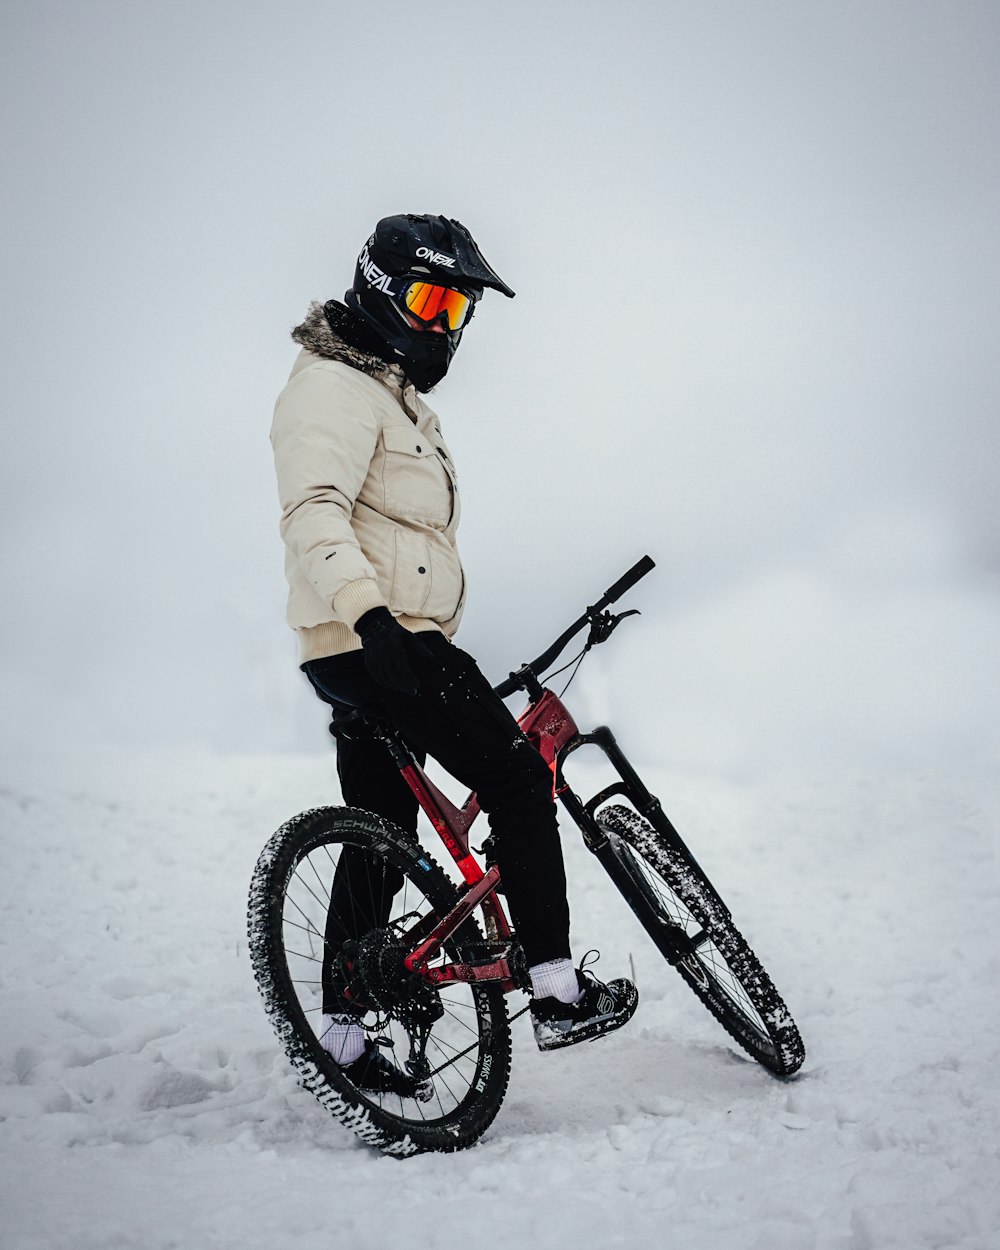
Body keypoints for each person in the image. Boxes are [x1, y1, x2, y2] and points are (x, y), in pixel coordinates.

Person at [271, 214, 637, 1095]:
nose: (443, 324)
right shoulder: (334, 391)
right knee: (516, 778)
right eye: (432, 298)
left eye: (459, 307)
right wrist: (376, 620)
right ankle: (553, 988)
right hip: (382, 639)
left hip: (358, 645)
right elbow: (313, 509)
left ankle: (347, 1037)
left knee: (383, 834)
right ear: (378, 288)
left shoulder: (389, 392)